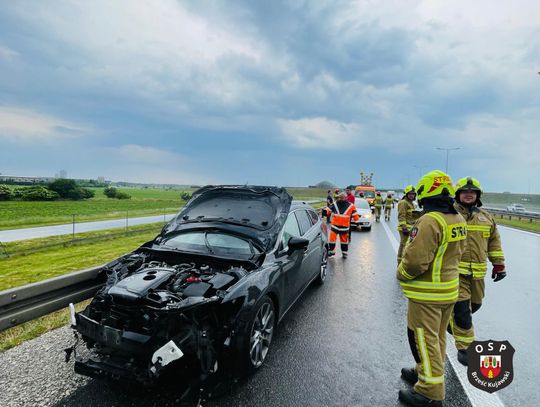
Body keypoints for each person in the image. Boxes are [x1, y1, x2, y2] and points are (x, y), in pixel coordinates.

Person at [396, 170, 467, 406]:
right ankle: (424, 372)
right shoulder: (457, 218)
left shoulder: (429, 220)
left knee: (423, 340)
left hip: (427, 294)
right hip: (448, 291)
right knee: (436, 339)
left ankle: (429, 392)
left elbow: (416, 261)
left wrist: (401, 274)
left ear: (426, 192)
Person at [449, 177, 506, 366]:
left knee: (474, 306)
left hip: (478, 275)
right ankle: (465, 349)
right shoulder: (449, 214)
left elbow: (494, 242)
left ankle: (451, 323)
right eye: (464, 191)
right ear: (457, 194)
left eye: (472, 192)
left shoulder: (486, 217)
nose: (468, 194)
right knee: (462, 310)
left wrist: (499, 264)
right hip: (455, 273)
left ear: (478, 195)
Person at [322, 192, 360, 258]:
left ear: (345, 198)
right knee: (332, 240)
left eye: (341, 197)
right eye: (339, 197)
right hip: (335, 226)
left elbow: (355, 215)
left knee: (344, 241)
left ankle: (344, 253)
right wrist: (323, 212)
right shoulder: (335, 204)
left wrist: (358, 224)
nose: (340, 198)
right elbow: (328, 209)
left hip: (344, 227)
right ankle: (332, 252)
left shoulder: (351, 206)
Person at [397, 185, 422, 263]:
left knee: (407, 246)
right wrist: (404, 228)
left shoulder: (411, 203)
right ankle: (400, 262)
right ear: (406, 194)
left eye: (413, 194)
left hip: (410, 228)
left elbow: (412, 216)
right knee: (404, 245)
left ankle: (404, 262)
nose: (412, 195)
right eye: (410, 194)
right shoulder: (403, 202)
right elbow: (401, 216)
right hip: (405, 229)